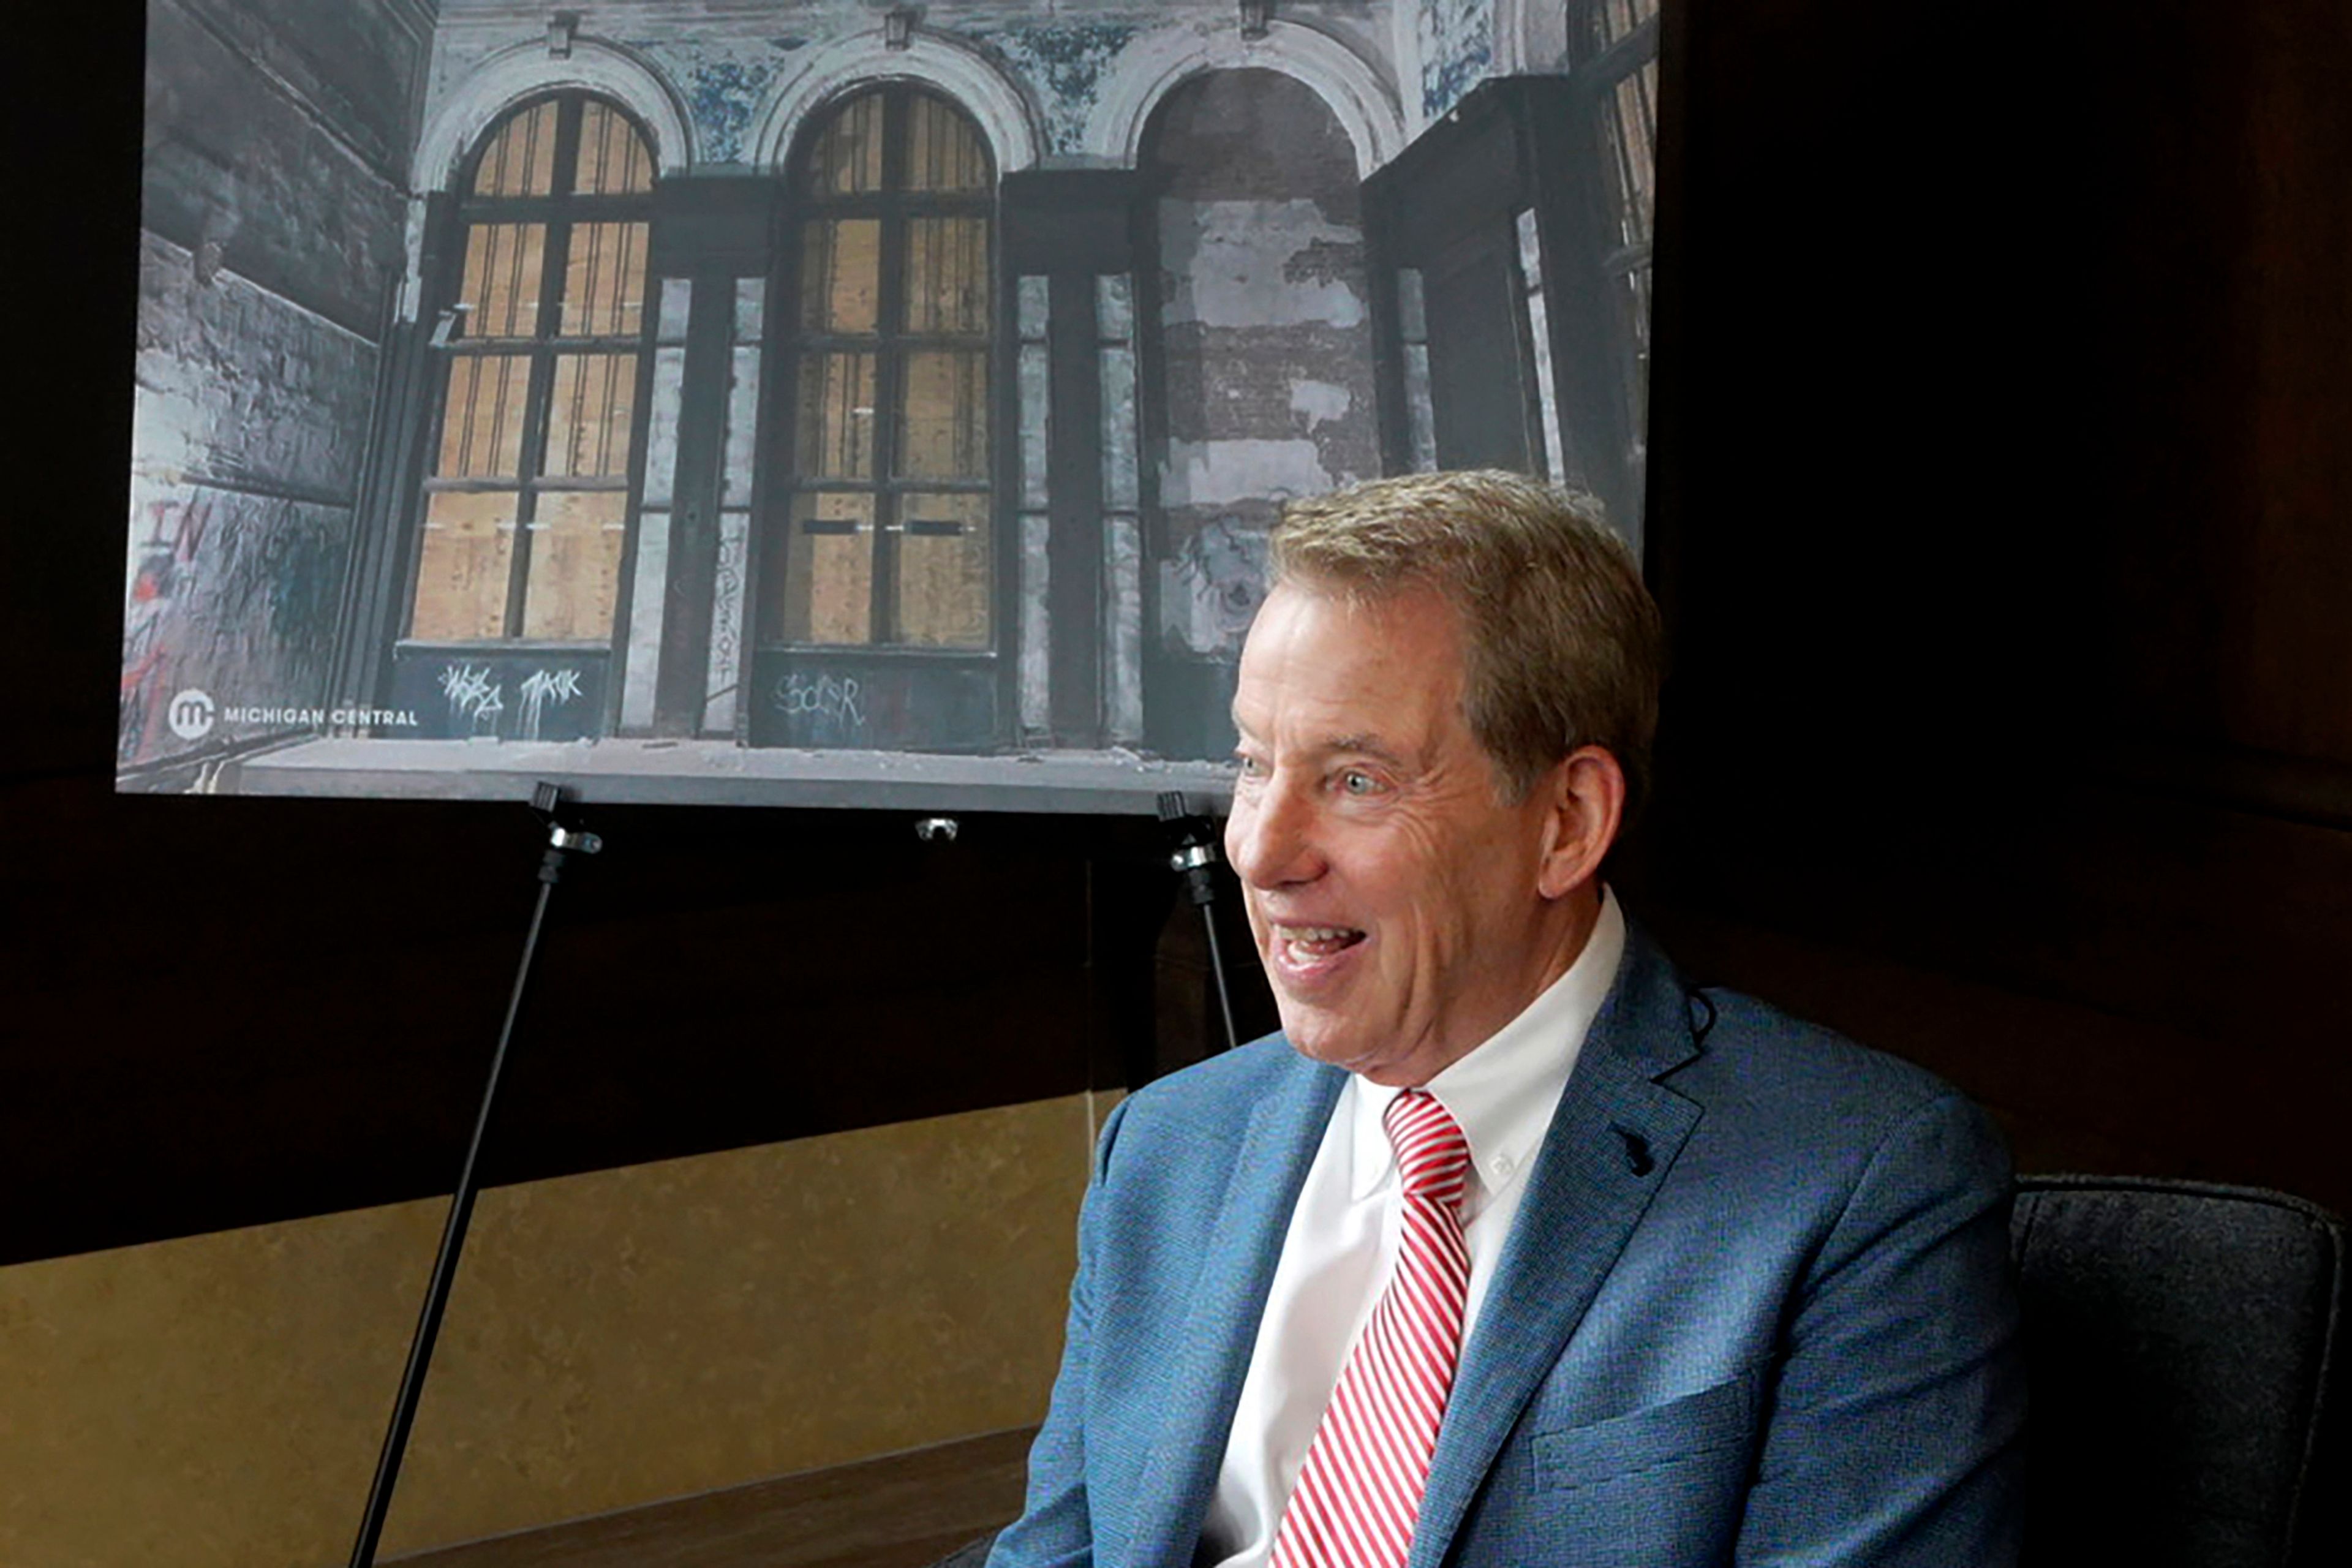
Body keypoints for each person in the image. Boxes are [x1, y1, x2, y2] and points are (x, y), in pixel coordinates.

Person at [988, 470, 2023, 1567]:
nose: (1261, 850)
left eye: (1355, 780)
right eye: (1255, 764)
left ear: (1567, 822)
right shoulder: (1165, 1149)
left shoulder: (1862, 1186)